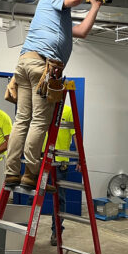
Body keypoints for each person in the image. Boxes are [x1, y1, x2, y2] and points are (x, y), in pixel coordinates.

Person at [4, 0, 104, 188]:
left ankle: (12, 173)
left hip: (25, 63)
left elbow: (82, 31)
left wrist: (95, 7)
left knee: (22, 120)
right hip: (42, 65)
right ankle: (30, 174)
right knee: (39, 121)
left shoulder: (52, 12)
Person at [46, 104, 75, 246]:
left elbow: (75, 134)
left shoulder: (68, 110)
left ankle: (56, 232)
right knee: (33, 197)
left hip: (61, 161)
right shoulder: (45, 107)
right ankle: (26, 229)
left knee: (60, 198)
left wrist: (80, 158)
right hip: (43, 159)